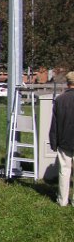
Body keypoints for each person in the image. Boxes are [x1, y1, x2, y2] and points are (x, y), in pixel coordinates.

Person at [49, 71, 74, 206]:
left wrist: (53, 142)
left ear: (67, 83)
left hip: (64, 141)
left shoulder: (60, 100)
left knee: (64, 170)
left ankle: (62, 200)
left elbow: (55, 124)